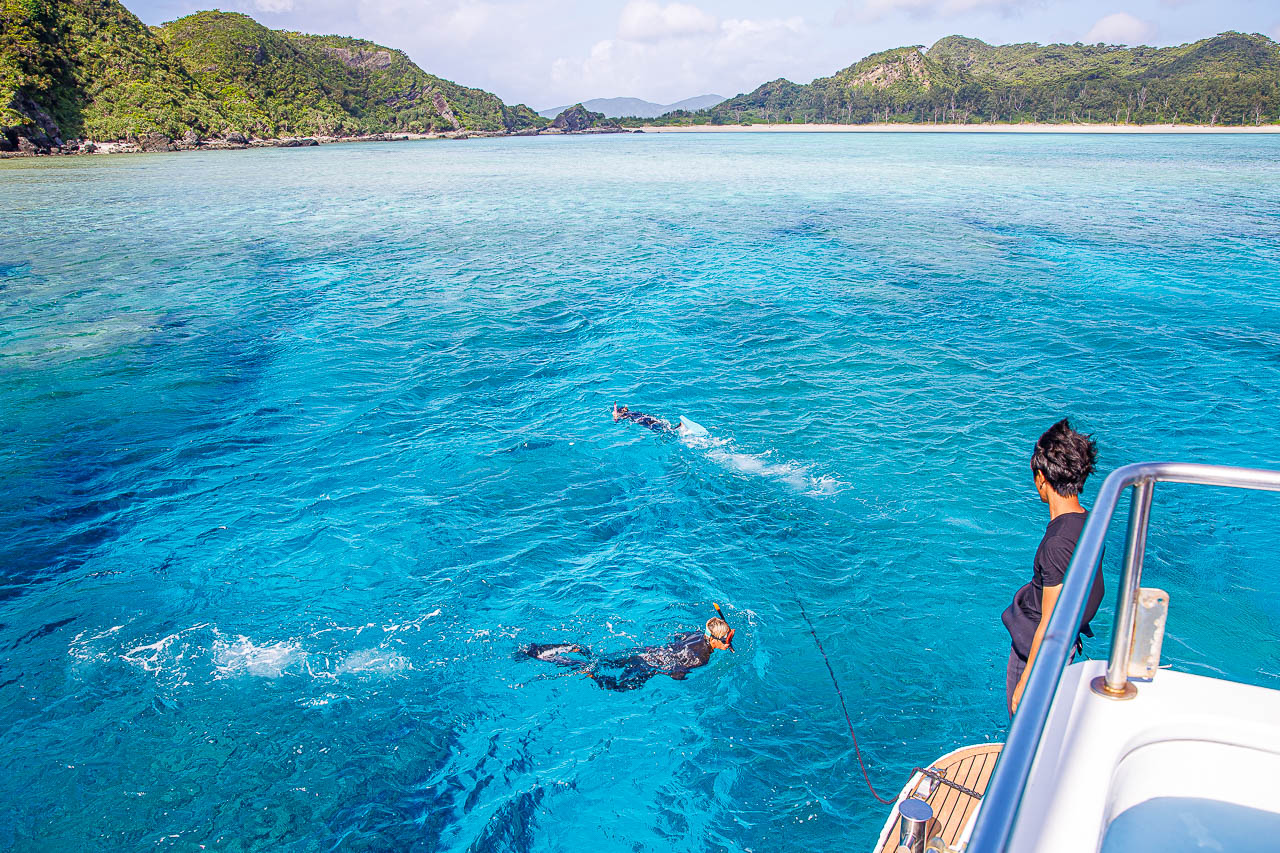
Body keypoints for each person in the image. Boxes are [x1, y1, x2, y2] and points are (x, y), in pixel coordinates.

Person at [1002, 419, 1106, 717]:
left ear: (1041, 478)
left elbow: (1049, 622)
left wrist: (1027, 681)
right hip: (1066, 642)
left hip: (1037, 653)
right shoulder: (1089, 522)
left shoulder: (1057, 543)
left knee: (1025, 723)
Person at [524, 616, 735, 691]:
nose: (728, 643)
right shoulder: (703, 658)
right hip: (648, 665)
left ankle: (567, 650)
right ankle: (588, 673)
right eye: (726, 639)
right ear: (715, 639)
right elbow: (675, 672)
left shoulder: (696, 634)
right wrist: (682, 676)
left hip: (645, 652)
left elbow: (678, 637)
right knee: (618, 686)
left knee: (601, 660)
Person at [613, 404, 678, 434]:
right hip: (647, 417)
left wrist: (615, 416)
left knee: (655, 428)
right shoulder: (634, 411)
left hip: (641, 420)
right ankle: (673, 428)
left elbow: (616, 421)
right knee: (658, 423)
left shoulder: (626, 414)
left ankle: (672, 430)